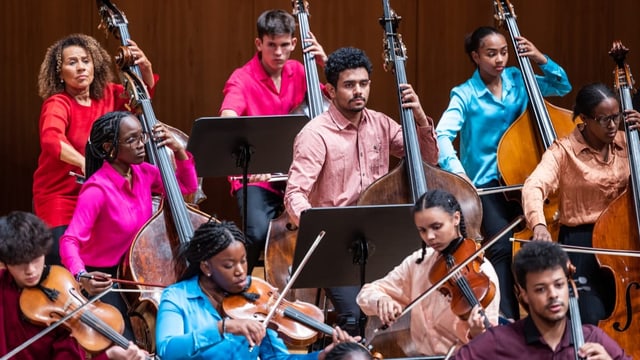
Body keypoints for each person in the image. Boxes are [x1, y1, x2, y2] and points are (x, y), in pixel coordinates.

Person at [284, 47, 439, 336]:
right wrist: (319, 228)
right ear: (330, 90)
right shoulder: (315, 135)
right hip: (337, 245)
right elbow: (294, 194)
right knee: (355, 315)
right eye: (349, 85)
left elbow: (427, 160)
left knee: (416, 302)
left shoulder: (380, 123)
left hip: (382, 238)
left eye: (364, 84)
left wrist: (418, 116)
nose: (358, 91)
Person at [435, 26, 572, 320]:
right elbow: (442, 135)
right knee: (500, 248)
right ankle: (507, 320)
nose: (499, 59)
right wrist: (461, 176)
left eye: (503, 52)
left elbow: (562, 86)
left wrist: (539, 58)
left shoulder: (518, 78)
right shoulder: (464, 94)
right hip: (486, 185)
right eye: (490, 53)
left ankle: (554, 313)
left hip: (525, 177)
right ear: (475, 56)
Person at [59, 111, 197, 340]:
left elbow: (185, 188)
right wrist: (82, 275)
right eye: (131, 140)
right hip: (105, 280)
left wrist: (179, 151)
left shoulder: (142, 172)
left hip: (138, 271)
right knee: (125, 341)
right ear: (109, 147)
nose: (141, 145)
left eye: (141, 137)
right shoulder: (96, 190)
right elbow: (69, 240)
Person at [218, 9, 328, 274]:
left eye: (284, 45)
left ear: (293, 43)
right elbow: (228, 118)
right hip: (260, 177)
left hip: (298, 175)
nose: (278, 52)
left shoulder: (300, 71)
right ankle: (237, 290)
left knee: (326, 230)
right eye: (271, 45)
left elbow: (335, 98)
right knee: (256, 234)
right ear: (259, 44)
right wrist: (251, 165)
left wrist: (325, 62)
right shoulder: (241, 79)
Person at [33, 33, 157, 266]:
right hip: (61, 197)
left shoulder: (110, 94)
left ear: (95, 64)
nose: (80, 67)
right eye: (72, 63)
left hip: (101, 196)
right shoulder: (58, 103)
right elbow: (51, 139)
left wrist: (145, 69)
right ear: (59, 72)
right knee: (65, 258)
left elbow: (142, 101)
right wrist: (84, 162)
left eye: (85, 60)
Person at [522, 83, 640, 325]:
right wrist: (539, 226)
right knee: (591, 317)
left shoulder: (628, 142)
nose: (612, 125)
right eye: (603, 119)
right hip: (582, 244)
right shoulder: (563, 152)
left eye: (616, 117)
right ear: (584, 119)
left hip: (628, 239)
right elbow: (533, 185)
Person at [155, 220, 358, 359]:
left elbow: (277, 358)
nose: (241, 272)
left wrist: (321, 357)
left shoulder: (257, 296)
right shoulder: (177, 297)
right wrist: (223, 327)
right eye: (229, 266)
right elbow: (167, 350)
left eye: (243, 261)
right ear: (206, 267)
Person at [356, 189, 500, 356]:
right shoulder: (418, 262)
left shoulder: (483, 273)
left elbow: (489, 346)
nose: (429, 237)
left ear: (456, 218)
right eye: (422, 230)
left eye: (436, 227)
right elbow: (365, 294)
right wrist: (381, 300)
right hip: (419, 355)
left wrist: (477, 333)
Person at [0, 211, 148, 359]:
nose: (31, 270)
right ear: (5, 263)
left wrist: (109, 355)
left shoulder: (61, 293)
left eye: (36, 258)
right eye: (20, 263)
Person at [452, 240, 631, 359]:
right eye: (541, 289)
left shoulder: (593, 338)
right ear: (523, 294)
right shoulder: (500, 342)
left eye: (559, 285)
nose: (553, 294)